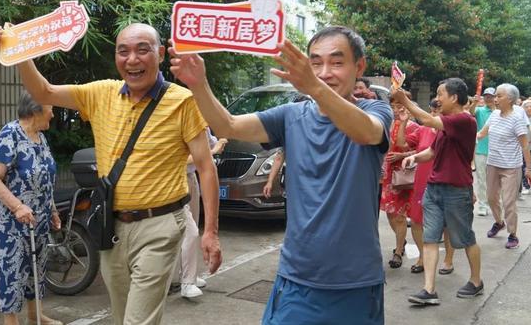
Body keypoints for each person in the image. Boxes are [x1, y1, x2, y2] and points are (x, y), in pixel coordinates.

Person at [0, 23, 222, 325]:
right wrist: (19, 51)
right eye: (123, 51)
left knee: (137, 321)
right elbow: (42, 91)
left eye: (143, 49)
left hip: (161, 225)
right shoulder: (101, 93)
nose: (132, 59)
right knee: (121, 316)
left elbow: (205, 166)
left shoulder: (182, 101)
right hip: (111, 227)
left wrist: (210, 231)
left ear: (161, 54)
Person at [170, 26, 392, 324]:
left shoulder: (375, 110)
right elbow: (228, 126)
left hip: (355, 283)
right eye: (315, 63)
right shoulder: (291, 116)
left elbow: (367, 132)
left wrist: (313, 86)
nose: (325, 72)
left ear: (359, 66)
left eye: (337, 62)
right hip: (296, 279)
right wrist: (198, 84)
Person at [397, 78, 483, 306]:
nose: (436, 99)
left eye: (440, 94)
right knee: (430, 238)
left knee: (464, 239)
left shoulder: (464, 121)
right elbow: (432, 152)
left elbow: (425, 119)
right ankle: (428, 289)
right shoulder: (446, 126)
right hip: (434, 189)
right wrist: (413, 157)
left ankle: (476, 282)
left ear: (454, 97)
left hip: (456, 190)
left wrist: (405, 101)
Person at [0, 92, 62, 325]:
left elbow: (44, 179)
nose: (53, 113)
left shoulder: (39, 136)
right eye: (50, 108)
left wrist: (53, 210)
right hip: (12, 220)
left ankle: (35, 315)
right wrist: (17, 207)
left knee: (36, 267)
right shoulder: (10, 135)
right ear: (36, 110)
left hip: (38, 218)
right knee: (13, 270)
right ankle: (11, 321)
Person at [395, 100, 456, 274]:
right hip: (422, 182)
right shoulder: (422, 130)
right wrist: (404, 121)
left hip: (446, 181)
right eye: (433, 108)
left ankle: (448, 259)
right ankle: (423, 257)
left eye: (439, 107)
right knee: (416, 221)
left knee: (446, 223)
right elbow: (402, 143)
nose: (436, 111)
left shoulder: (452, 130)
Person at [477, 84, 531, 249]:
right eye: (495, 95)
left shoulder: (516, 119)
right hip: (492, 164)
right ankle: (498, 222)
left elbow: (525, 146)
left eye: (499, 96)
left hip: (511, 166)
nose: (495, 99)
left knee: (509, 202)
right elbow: (481, 134)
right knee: (491, 198)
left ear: (510, 100)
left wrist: (528, 169)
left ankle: (513, 234)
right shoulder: (494, 115)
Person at [174, 129, 227, 298]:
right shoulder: (176, 116)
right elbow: (178, 161)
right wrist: (213, 151)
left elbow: (211, 142)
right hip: (175, 181)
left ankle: (190, 275)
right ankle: (186, 283)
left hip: (191, 178)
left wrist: (220, 143)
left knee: (194, 226)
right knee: (191, 232)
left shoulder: (200, 122)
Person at [381, 94, 419, 269]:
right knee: (389, 212)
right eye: (394, 106)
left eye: (400, 106)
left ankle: (397, 252)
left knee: (400, 216)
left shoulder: (414, 127)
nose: (396, 110)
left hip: (404, 175)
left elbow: (421, 151)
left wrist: (401, 155)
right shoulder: (387, 124)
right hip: (387, 174)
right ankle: (401, 242)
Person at [471, 87, 497, 216]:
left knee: (494, 180)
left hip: (498, 150)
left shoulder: (500, 112)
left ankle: (494, 203)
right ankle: (482, 205)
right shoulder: (480, 110)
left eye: (491, 96)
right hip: (481, 149)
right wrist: (474, 102)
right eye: (486, 96)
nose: (488, 98)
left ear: (495, 97)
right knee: (482, 179)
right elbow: (470, 113)